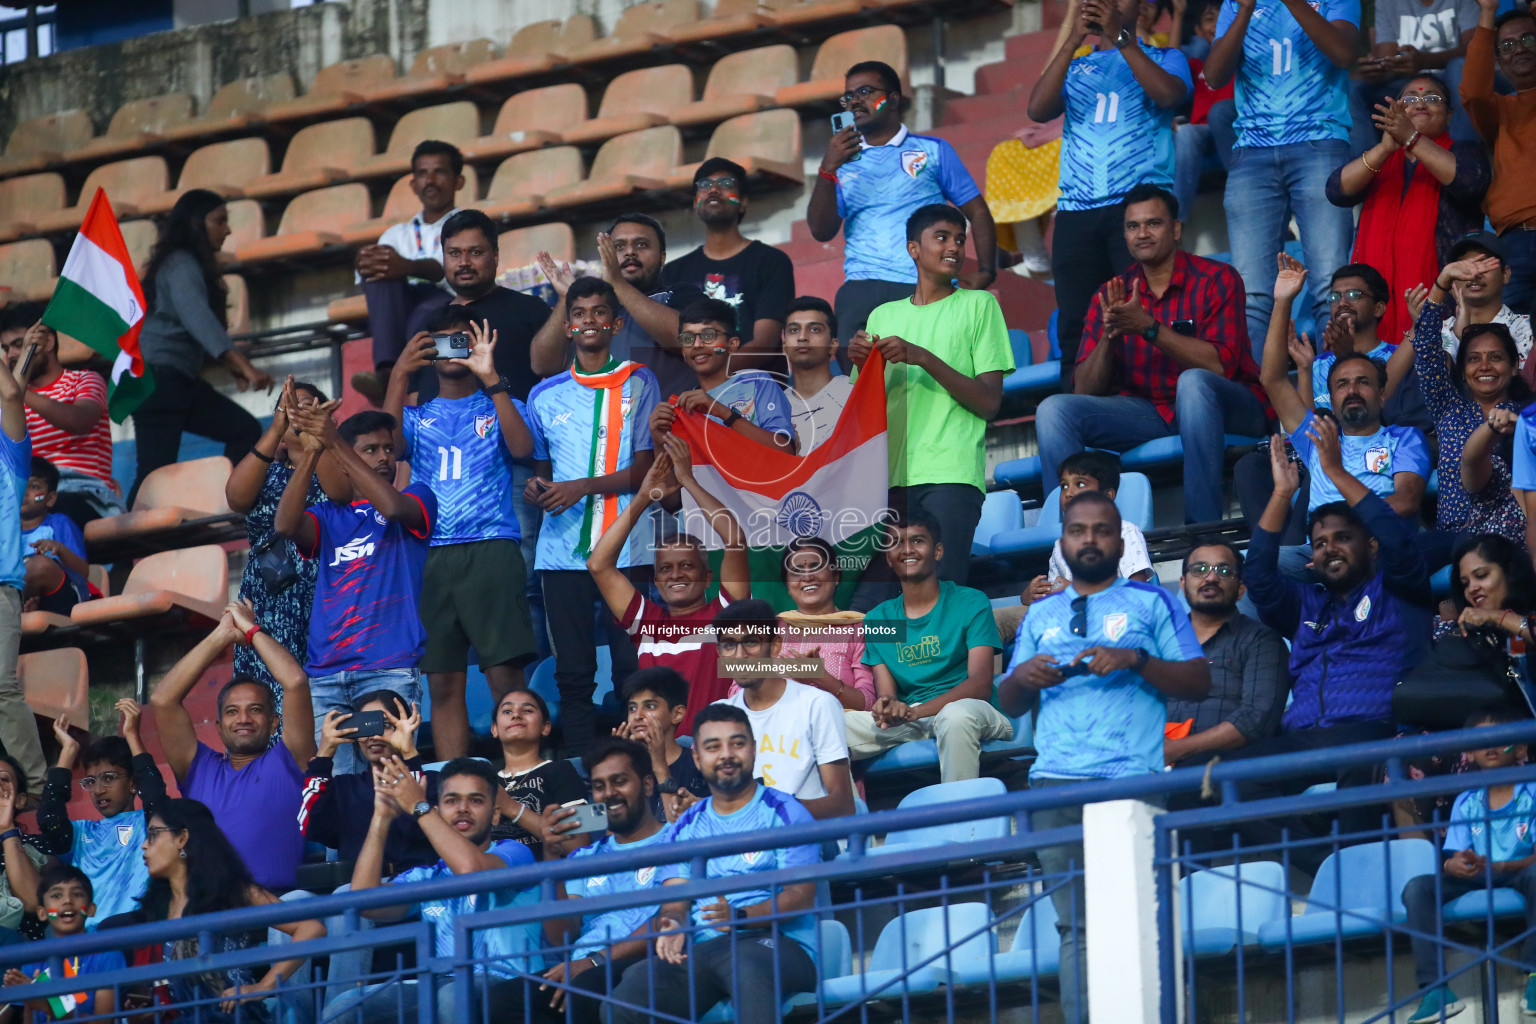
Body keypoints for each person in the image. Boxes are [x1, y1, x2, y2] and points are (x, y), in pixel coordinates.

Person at [1000, 490, 1209, 1024]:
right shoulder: (1038, 614)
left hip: (1132, 783)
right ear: (1062, 541)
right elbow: (1009, 700)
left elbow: (1198, 679)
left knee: (1141, 912)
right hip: (1053, 786)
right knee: (1077, 927)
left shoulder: (1154, 602)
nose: (1089, 539)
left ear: (1120, 540)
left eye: (1101, 530)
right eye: (1078, 530)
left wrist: (1136, 660)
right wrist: (1022, 677)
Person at [1234, 422, 1434, 868]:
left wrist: (1334, 470)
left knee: (1361, 770)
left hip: (1370, 732)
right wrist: (1282, 493)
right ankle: (1323, 865)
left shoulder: (1401, 587)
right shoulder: (1305, 602)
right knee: (1236, 780)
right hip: (1303, 737)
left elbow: (1400, 539)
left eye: (1343, 537)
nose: (1330, 549)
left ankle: (1351, 882)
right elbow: (1260, 579)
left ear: (1371, 546)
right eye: (1320, 543)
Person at [1035, 184, 1270, 523]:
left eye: (1153, 224)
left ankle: (1202, 530)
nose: (1141, 233)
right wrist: (1110, 337)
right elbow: (1084, 390)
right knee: (1054, 410)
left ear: (1176, 229)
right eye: (1132, 226)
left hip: (1232, 405)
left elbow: (1220, 366)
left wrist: (1148, 327)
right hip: (1153, 413)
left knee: (1194, 384)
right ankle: (1068, 539)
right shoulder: (1111, 292)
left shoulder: (1217, 278)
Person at [606, 704, 820, 1024]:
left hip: (778, 944)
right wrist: (674, 923)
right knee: (631, 991)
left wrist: (740, 917)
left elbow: (799, 895)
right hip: (706, 948)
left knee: (745, 964)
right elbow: (676, 896)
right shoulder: (687, 823)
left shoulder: (786, 811)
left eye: (737, 743)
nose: (726, 755)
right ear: (697, 758)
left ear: (753, 749)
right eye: (713, 746)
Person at [387, 309, 537, 761]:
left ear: (480, 344)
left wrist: (492, 379)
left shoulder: (499, 404)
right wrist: (398, 374)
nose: (452, 347)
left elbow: (523, 448)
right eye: (442, 340)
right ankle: (455, 778)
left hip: (491, 548)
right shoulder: (416, 417)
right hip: (430, 556)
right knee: (443, 681)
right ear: (428, 351)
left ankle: (522, 770)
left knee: (504, 675)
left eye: (462, 339)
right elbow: (389, 448)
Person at [848, 204, 1013, 601]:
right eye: (941, 237)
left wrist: (923, 357)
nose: (954, 246)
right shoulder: (881, 315)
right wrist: (859, 366)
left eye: (960, 239)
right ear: (913, 249)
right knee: (869, 607)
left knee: (937, 599)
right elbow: (860, 412)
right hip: (885, 481)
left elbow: (990, 402)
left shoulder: (980, 304)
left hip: (950, 475)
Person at [1027, 0, 1193, 387]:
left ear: (1142, 8)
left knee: (1147, 312)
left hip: (1136, 211)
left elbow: (1171, 97)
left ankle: (1154, 406)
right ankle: (1080, 415)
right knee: (1076, 323)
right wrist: (1071, 41)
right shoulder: (1077, 64)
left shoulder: (1166, 56)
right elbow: (1037, 109)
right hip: (1076, 212)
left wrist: (1121, 37)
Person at [525, 278, 658, 754]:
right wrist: (538, 490)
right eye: (579, 313)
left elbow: (644, 471)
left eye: (599, 312)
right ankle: (583, 769)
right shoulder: (544, 395)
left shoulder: (639, 379)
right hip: (560, 551)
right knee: (573, 673)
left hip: (628, 546)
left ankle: (643, 760)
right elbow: (543, 474)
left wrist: (581, 487)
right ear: (567, 326)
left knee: (631, 664)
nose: (589, 321)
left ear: (616, 323)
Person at [276, 404, 433, 775]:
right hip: (327, 680)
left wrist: (335, 443)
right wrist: (315, 450)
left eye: (388, 449)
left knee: (390, 781)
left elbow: (392, 508)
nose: (383, 457)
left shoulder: (417, 498)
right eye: (370, 449)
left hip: (386, 672)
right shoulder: (327, 516)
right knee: (340, 786)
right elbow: (284, 525)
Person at [807, 60, 998, 365]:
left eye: (866, 91)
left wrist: (988, 272)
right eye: (848, 96)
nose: (855, 101)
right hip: (861, 290)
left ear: (893, 98)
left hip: (923, 284)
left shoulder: (933, 150)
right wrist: (827, 169)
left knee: (927, 383)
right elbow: (820, 231)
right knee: (861, 393)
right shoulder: (840, 163)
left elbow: (977, 211)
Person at [330, 756, 546, 1024]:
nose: (463, 809)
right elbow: (363, 904)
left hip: (509, 981)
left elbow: (472, 872)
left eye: (476, 800)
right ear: (440, 810)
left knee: (451, 998)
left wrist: (419, 808)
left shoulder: (515, 852)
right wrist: (381, 818)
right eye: (451, 801)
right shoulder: (429, 876)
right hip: (441, 983)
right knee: (345, 1006)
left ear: (495, 814)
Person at [1250, 254, 1431, 571]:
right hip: (1317, 555)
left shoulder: (1405, 438)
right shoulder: (1318, 440)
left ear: (1382, 393)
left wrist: (1338, 534)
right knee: (1258, 565)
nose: (1352, 390)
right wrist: (1282, 302)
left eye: (1363, 382)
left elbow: (1405, 502)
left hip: (1377, 547)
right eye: (1342, 384)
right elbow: (1273, 379)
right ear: (1330, 401)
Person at [1204, 0, 1360, 350]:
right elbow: (1214, 76)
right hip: (1252, 152)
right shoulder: (1235, 4)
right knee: (1253, 296)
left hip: (1319, 141)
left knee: (1329, 287)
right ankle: (1261, 402)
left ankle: (1331, 397)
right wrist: (1244, 10)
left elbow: (1344, 53)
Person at [148, 603, 316, 893]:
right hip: (211, 913)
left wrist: (251, 631)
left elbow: (296, 682)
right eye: (232, 712)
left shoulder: (291, 760)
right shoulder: (199, 768)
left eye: (255, 710)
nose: (243, 719)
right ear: (218, 726)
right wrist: (222, 634)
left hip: (278, 911)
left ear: (275, 722)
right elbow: (163, 700)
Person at [590, 436, 750, 735]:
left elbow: (735, 541)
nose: (675, 574)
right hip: (656, 757)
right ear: (656, 580)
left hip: (712, 754)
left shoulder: (726, 616)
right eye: (665, 568)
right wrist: (643, 497)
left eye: (687, 565)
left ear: (707, 578)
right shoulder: (646, 622)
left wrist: (687, 480)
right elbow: (598, 565)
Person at [845, 510, 1013, 782]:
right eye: (897, 543)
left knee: (954, 717)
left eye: (917, 541)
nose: (907, 549)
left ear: (937, 551)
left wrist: (915, 711)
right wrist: (888, 706)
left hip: (969, 710)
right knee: (831, 727)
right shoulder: (879, 618)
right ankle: (850, 822)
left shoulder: (970, 602)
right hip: (913, 719)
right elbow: (887, 693)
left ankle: (962, 822)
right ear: (889, 558)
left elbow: (980, 685)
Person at [130, 189, 271, 505]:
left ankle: (233, 503)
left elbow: (192, 326)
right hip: (157, 382)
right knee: (152, 476)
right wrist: (243, 364)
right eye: (220, 221)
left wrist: (232, 366)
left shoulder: (181, 263)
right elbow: (198, 319)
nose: (228, 229)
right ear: (195, 224)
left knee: (243, 430)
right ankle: (124, 553)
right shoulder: (180, 263)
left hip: (175, 382)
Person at [1328, 75, 1491, 344]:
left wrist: (1412, 138)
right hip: (1378, 315)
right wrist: (1384, 148)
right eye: (1410, 99)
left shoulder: (1464, 151)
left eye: (1432, 98)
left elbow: (1470, 182)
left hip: (1445, 306)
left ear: (1449, 116)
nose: (1420, 104)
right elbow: (1336, 191)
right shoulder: (1381, 161)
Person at [133, 798, 325, 1023]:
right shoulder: (157, 907)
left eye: (154, 834)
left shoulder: (232, 892)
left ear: (182, 839)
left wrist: (262, 987)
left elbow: (311, 928)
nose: (144, 845)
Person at [1400, 708, 1536, 1022]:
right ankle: (1435, 990)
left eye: (1501, 739)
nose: (1490, 746)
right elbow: (1456, 856)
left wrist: (1501, 866)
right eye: (1481, 740)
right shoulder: (1467, 800)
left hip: (1521, 872)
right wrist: (1454, 866)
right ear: (1471, 752)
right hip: (1481, 875)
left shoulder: (1532, 790)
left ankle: (1534, 978)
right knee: (1418, 888)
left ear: (1521, 749)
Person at [539, 737, 681, 1024]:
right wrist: (552, 861)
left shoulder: (677, 841)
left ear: (648, 784)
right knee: (504, 1001)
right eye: (600, 786)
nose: (609, 794)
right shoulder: (584, 857)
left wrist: (593, 962)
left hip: (640, 963)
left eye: (619, 781)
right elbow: (561, 937)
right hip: (579, 967)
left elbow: (667, 919)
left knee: (583, 992)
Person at [1406, 255, 1532, 553]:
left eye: (1496, 357)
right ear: (1462, 370)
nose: (1485, 366)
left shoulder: (1528, 416)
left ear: (1515, 366)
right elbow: (1425, 347)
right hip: (1452, 535)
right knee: (1401, 558)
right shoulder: (1448, 407)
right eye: (1474, 358)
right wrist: (1443, 281)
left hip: (1511, 535)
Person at [225, 378, 327, 698]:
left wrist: (315, 443)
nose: (296, 413)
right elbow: (236, 498)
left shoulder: (335, 467)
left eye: (306, 406)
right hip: (268, 599)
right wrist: (275, 429)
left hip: (323, 594)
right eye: (288, 407)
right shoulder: (266, 470)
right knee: (268, 698)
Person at [532, 215, 707, 401]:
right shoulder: (585, 307)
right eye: (619, 246)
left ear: (662, 257)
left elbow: (686, 340)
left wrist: (618, 284)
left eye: (641, 245)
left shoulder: (680, 294)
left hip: (662, 425)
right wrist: (566, 299)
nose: (630, 252)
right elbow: (542, 365)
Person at [999, 451, 1159, 643]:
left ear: (1107, 495)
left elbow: (1137, 595)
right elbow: (1055, 590)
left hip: (1109, 617)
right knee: (992, 622)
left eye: (1080, 484)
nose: (1069, 492)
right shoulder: (1060, 544)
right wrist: (1030, 596)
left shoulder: (1124, 532)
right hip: (1064, 615)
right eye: (1064, 485)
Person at [715, 601, 855, 818]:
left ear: (775, 646)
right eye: (729, 645)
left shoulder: (817, 705)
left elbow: (842, 805)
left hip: (809, 840)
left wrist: (769, 811)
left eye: (751, 642)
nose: (740, 655)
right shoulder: (717, 716)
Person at [33, 699, 167, 927]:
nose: (98, 790)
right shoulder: (83, 832)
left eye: (109, 778)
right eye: (90, 781)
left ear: (134, 784)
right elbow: (49, 819)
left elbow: (155, 795)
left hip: (133, 934)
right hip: (83, 941)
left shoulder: (149, 824)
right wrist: (68, 752)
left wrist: (133, 735)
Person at [350, 140, 462, 404]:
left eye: (440, 172)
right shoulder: (396, 234)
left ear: (459, 181)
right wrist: (364, 261)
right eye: (422, 174)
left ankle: (396, 382)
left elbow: (450, 272)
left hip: (453, 305)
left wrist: (408, 266)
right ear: (413, 185)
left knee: (425, 312)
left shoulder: (468, 223)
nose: (430, 180)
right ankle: (387, 374)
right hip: (404, 307)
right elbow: (373, 273)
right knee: (378, 277)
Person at [660, 158, 795, 369]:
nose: (713, 190)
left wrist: (714, 376)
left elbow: (764, 343)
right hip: (692, 395)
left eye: (725, 184)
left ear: (743, 202)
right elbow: (671, 340)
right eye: (704, 186)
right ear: (695, 203)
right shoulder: (673, 272)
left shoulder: (771, 262)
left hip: (757, 390)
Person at [1163, 541, 1290, 767]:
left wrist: (1177, 750)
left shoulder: (1260, 641)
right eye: (1199, 569)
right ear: (1183, 585)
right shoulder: (1157, 642)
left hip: (1223, 767)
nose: (1211, 578)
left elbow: (1256, 721)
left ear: (1241, 589)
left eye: (1224, 571)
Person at [0, 314, 119, 524]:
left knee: (50, 511)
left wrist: (16, 392)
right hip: (24, 499)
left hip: (82, 494)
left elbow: (80, 421)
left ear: (47, 342)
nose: (11, 355)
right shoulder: (8, 402)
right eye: (6, 348)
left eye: (20, 345)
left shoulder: (84, 380)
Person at [299, 691, 438, 871]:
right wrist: (324, 754)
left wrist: (409, 755)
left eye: (384, 725)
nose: (373, 736)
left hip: (419, 884)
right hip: (360, 890)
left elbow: (421, 831)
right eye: (364, 727)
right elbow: (311, 827)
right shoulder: (344, 787)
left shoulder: (434, 781)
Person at [1460, 0, 1536, 315]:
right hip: (1515, 241)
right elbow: (1474, 92)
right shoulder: (1499, 111)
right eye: (1507, 45)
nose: (1519, 48)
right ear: (1499, 62)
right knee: (1506, 344)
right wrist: (1488, 12)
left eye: (1529, 39)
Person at [646, 298, 796, 453]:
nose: (697, 345)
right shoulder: (683, 407)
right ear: (683, 351)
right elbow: (675, 476)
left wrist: (722, 411)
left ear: (732, 344)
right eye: (688, 339)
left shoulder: (757, 383)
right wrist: (659, 441)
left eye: (708, 335)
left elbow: (785, 450)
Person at [0, 326, 44, 794]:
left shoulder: (9, 457)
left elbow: (11, 391)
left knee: (0, 689)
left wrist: (23, 355)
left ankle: (34, 788)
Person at [1351, 0, 1477, 158]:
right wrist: (1376, 70)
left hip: (1450, 78)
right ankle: (1368, 166)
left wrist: (1425, 61)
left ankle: (1465, 158)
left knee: (1460, 67)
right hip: (1407, 80)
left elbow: (1475, 50)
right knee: (1353, 88)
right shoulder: (1386, 2)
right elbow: (1387, 57)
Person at [2, 865, 124, 1022]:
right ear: (42, 913)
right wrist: (28, 999)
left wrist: (47, 1005)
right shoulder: (33, 961)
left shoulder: (108, 955)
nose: (67, 901)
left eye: (77, 894)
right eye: (56, 895)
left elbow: (104, 1021)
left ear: (91, 909)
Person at [485, 688, 587, 859]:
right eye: (507, 711)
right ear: (494, 729)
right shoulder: (485, 782)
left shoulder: (563, 770)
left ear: (545, 727)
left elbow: (579, 845)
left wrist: (513, 808)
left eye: (527, 710)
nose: (516, 715)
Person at [778, 537, 876, 712]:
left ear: (836, 577)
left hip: (841, 727)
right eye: (796, 571)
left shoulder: (858, 629)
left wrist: (820, 677)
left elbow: (867, 703)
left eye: (816, 567)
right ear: (787, 585)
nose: (807, 577)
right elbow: (738, 691)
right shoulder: (771, 631)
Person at [1172, 0, 1239, 221]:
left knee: (1219, 112)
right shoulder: (1198, 66)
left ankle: (1243, 191)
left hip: (1234, 128)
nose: (1216, 26)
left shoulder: (1241, 55)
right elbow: (1172, 64)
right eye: (1210, 20)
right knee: (1186, 132)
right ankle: (1176, 221)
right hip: (1203, 133)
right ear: (1199, 30)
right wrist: (1179, 15)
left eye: (1222, 19)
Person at [616, 668, 709, 823]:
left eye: (650, 706)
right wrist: (617, 770)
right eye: (632, 708)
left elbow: (682, 833)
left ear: (677, 714)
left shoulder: (700, 765)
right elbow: (612, 840)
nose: (638, 715)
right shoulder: (625, 766)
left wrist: (660, 766)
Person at [19, 457, 90, 616]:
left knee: (41, 565)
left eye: (34, 486)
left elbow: (83, 572)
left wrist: (60, 549)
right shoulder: (6, 532)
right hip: (28, 601)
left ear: (50, 499)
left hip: (63, 597)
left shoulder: (59, 523)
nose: (24, 491)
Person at [782, 297, 853, 454]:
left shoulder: (855, 394)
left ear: (833, 345)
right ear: (784, 346)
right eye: (794, 330)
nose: (802, 337)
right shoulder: (772, 407)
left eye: (814, 329)